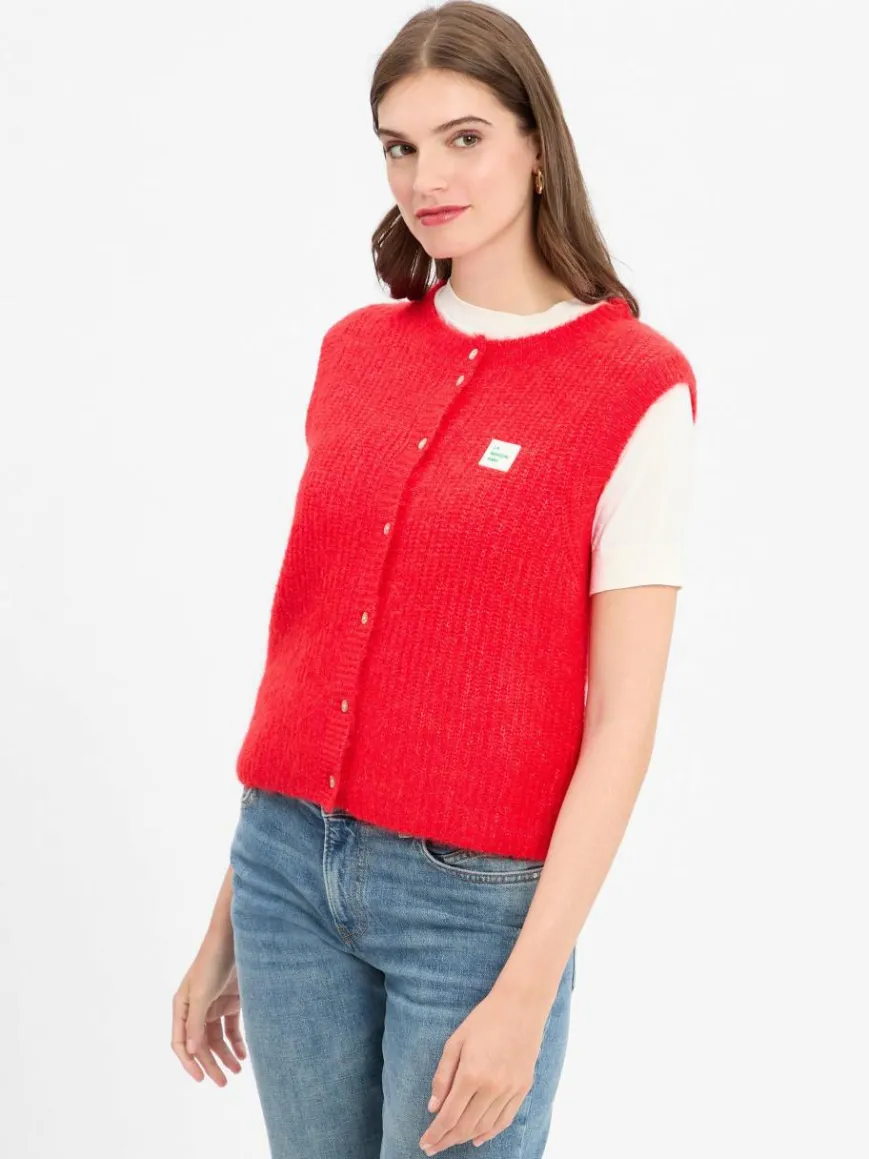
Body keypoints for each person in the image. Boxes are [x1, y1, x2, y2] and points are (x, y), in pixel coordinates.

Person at [171, 2, 697, 1156]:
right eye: (398, 147)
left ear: (535, 147)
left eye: (463, 138)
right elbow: (308, 651)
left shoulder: (631, 386)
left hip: (473, 910)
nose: (426, 178)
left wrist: (527, 990)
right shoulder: (355, 354)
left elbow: (621, 721)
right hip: (281, 872)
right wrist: (229, 914)